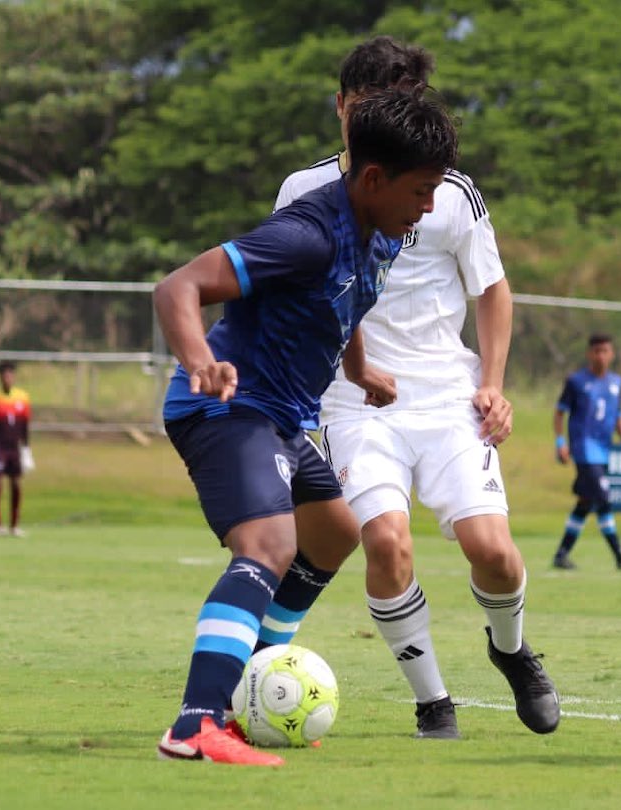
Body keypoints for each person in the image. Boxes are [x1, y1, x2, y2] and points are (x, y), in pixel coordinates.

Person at [152, 88, 458, 766]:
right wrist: (201, 361)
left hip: (282, 415)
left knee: (334, 533)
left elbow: (344, 305)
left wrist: (361, 369)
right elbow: (176, 287)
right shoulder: (305, 235)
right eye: (422, 190)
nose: (429, 207)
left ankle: (239, 694)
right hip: (225, 403)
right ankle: (196, 723)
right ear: (373, 180)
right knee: (268, 544)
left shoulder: (383, 235)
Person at [267, 35, 560, 741]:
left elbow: (492, 290)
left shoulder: (451, 193)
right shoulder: (304, 192)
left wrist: (491, 384)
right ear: (341, 108)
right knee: (386, 542)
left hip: (444, 398)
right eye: (363, 110)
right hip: (353, 402)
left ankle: (512, 650)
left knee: (494, 551)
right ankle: (434, 702)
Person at [551, 334, 621, 571]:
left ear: (612, 354)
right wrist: (561, 442)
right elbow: (560, 412)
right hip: (583, 449)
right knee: (603, 499)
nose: (601, 355)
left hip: (603, 450)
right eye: (596, 351)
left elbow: (618, 417)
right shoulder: (576, 381)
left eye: (605, 351)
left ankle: (561, 554)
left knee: (585, 502)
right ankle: (620, 555)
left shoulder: (616, 383)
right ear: (589, 354)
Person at [0, 361, 33, 537]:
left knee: (16, 483)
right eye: (4, 375)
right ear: (0, 377)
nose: (7, 378)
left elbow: (25, 425)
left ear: (13, 377)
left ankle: (14, 525)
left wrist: (26, 450)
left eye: (10, 375)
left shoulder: (22, 398)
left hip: (14, 448)